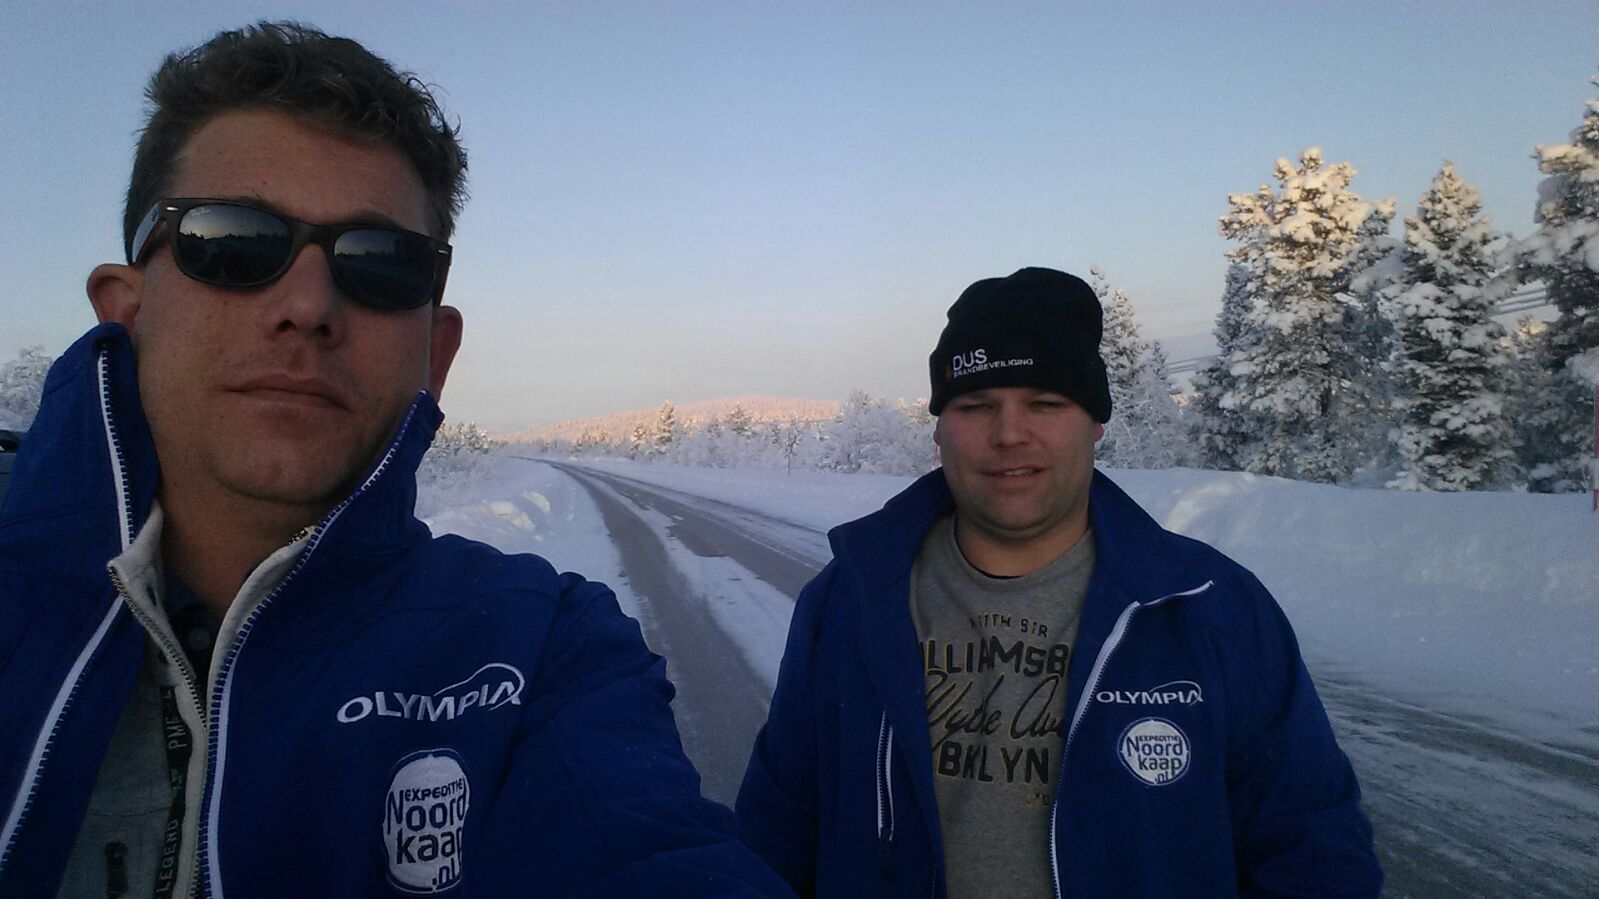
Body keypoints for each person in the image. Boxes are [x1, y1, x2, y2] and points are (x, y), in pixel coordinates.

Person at [0, 22, 790, 898]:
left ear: (434, 353)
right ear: (127, 309)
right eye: (233, 242)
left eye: (378, 264)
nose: (308, 304)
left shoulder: (540, 654)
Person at [735, 267, 1382, 897]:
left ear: (1094, 422)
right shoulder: (848, 601)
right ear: (938, 429)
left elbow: (1310, 854)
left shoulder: (1212, 610)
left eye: (1044, 403)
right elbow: (778, 828)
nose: (1009, 433)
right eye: (975, 405)